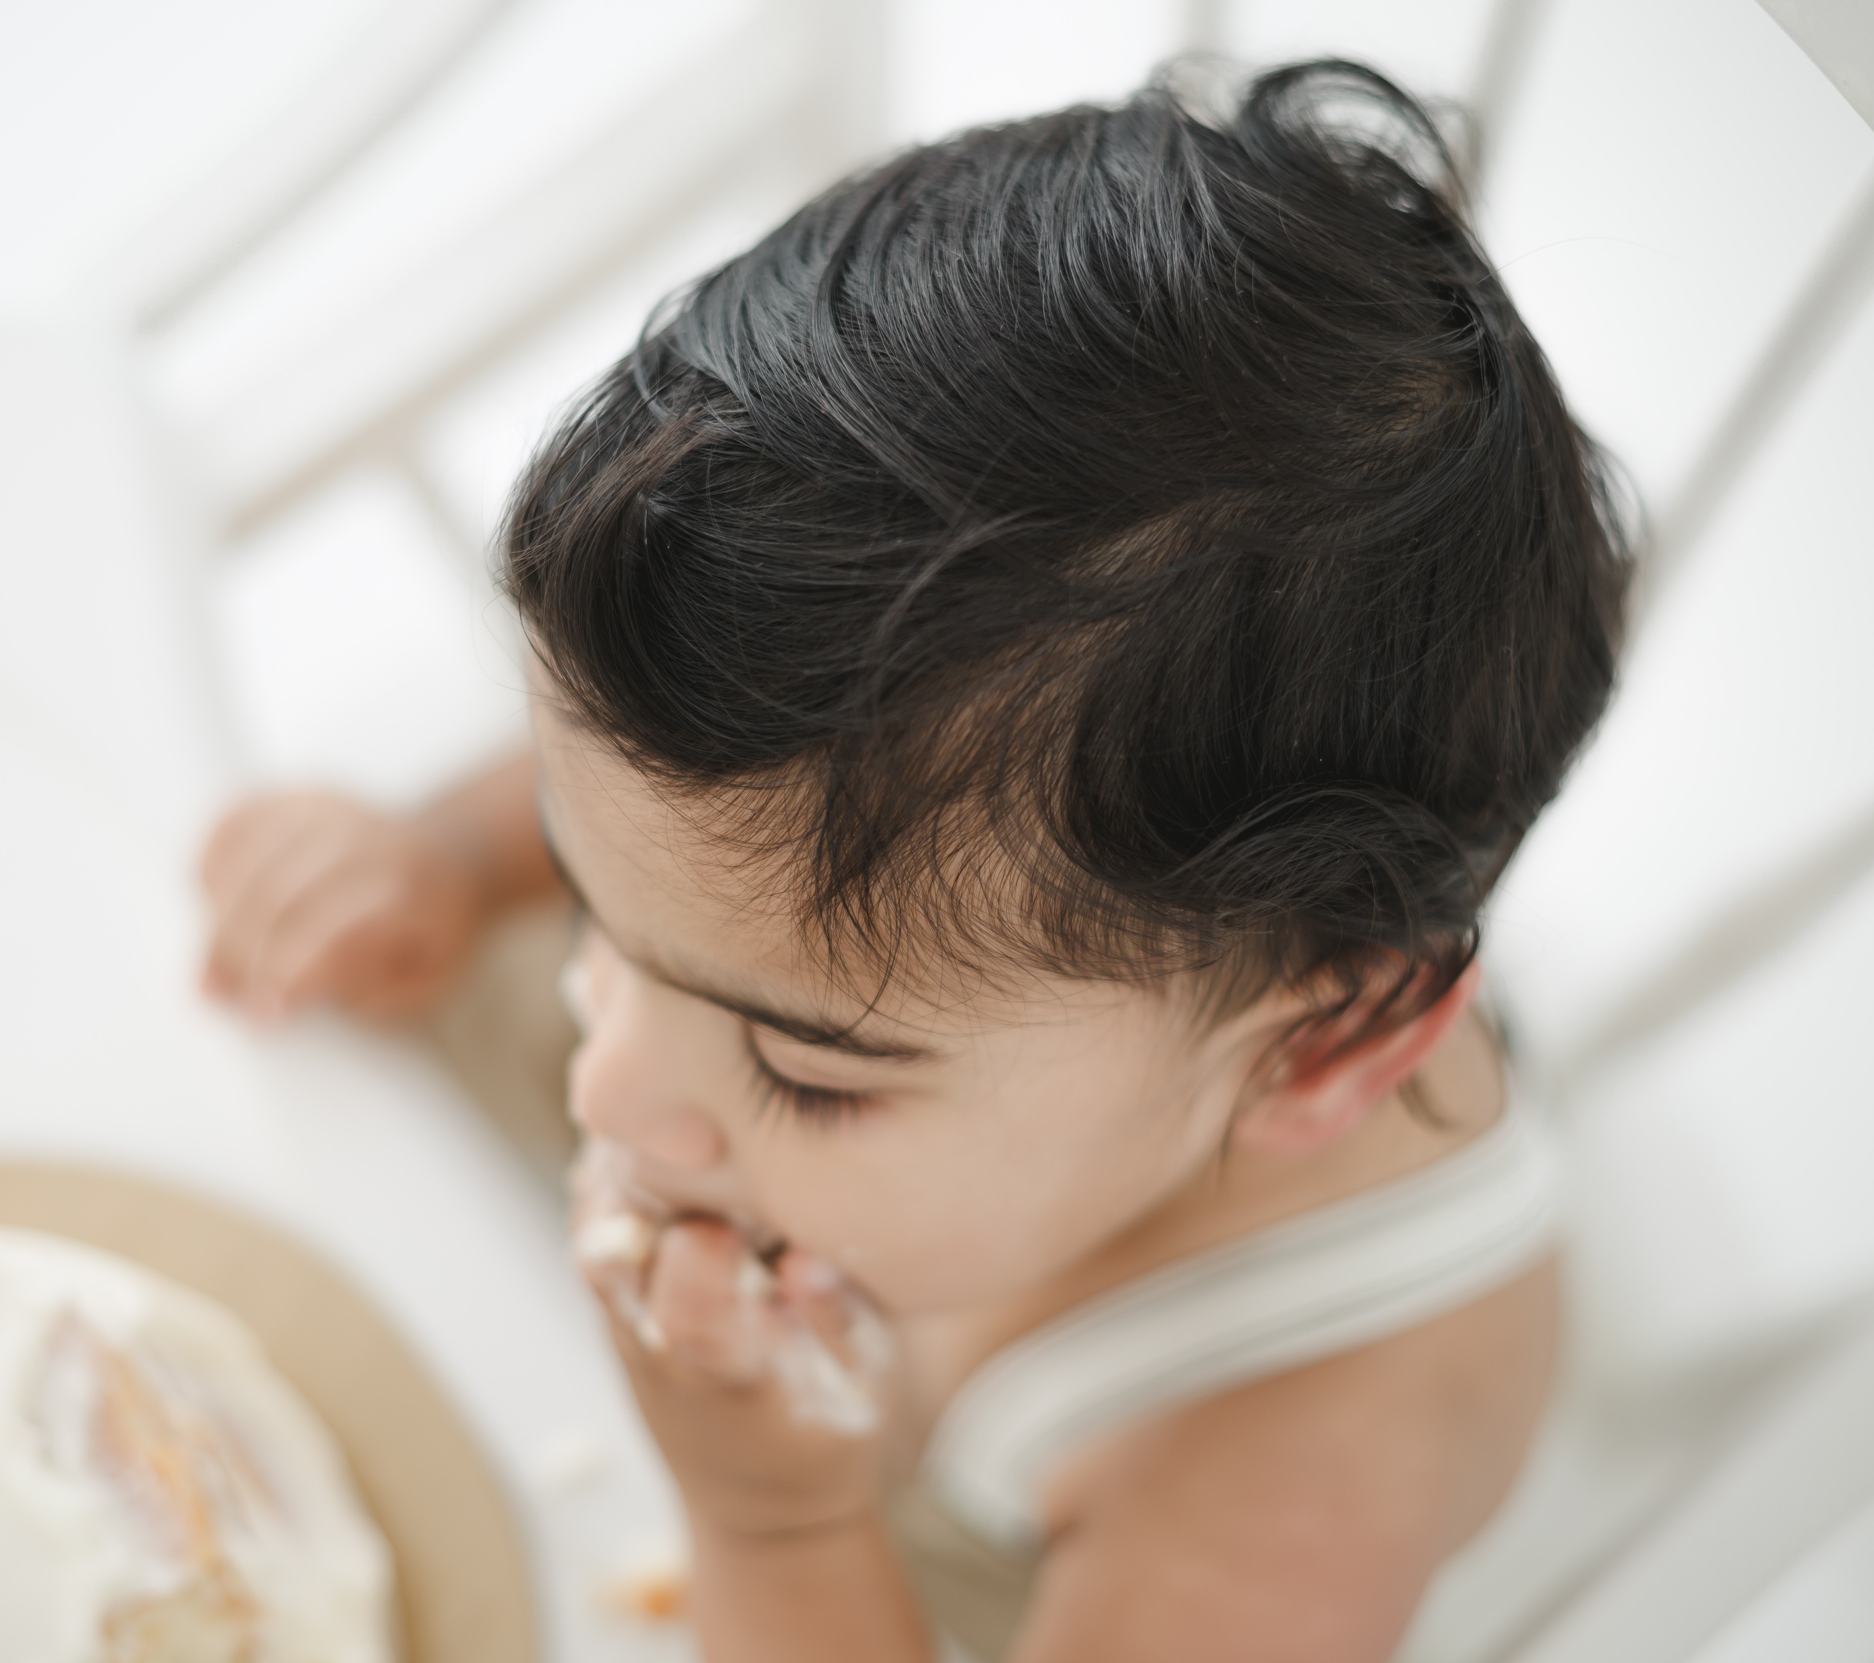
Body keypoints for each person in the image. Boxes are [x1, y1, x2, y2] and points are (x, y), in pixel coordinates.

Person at [198, 61, 1628, 1663]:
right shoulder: (874, 947)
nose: (607, 1088)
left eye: (807, 1072)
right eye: (593, 893)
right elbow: (710, 826)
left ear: (1315, 1047)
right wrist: (444, 862)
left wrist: (777, 1524)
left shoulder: (1294, 1463)